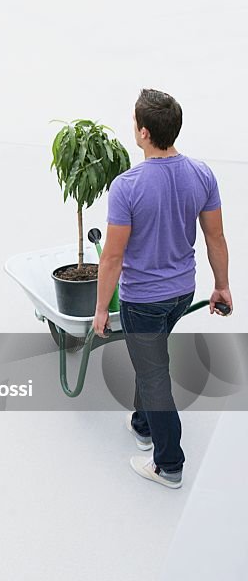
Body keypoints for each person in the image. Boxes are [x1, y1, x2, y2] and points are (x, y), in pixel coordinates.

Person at [92, 88, 232, 489]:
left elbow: (112, 258)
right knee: (149, 356)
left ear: (144, 133)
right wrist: (221, 287)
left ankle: (168, 464)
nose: (133, 128)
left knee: (155, 378)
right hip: (181, 294)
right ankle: (142, 424)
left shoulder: (127, 186)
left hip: (143, 301)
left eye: (135, 123)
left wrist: (102, 309)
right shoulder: (202, 173)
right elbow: (216, 238)